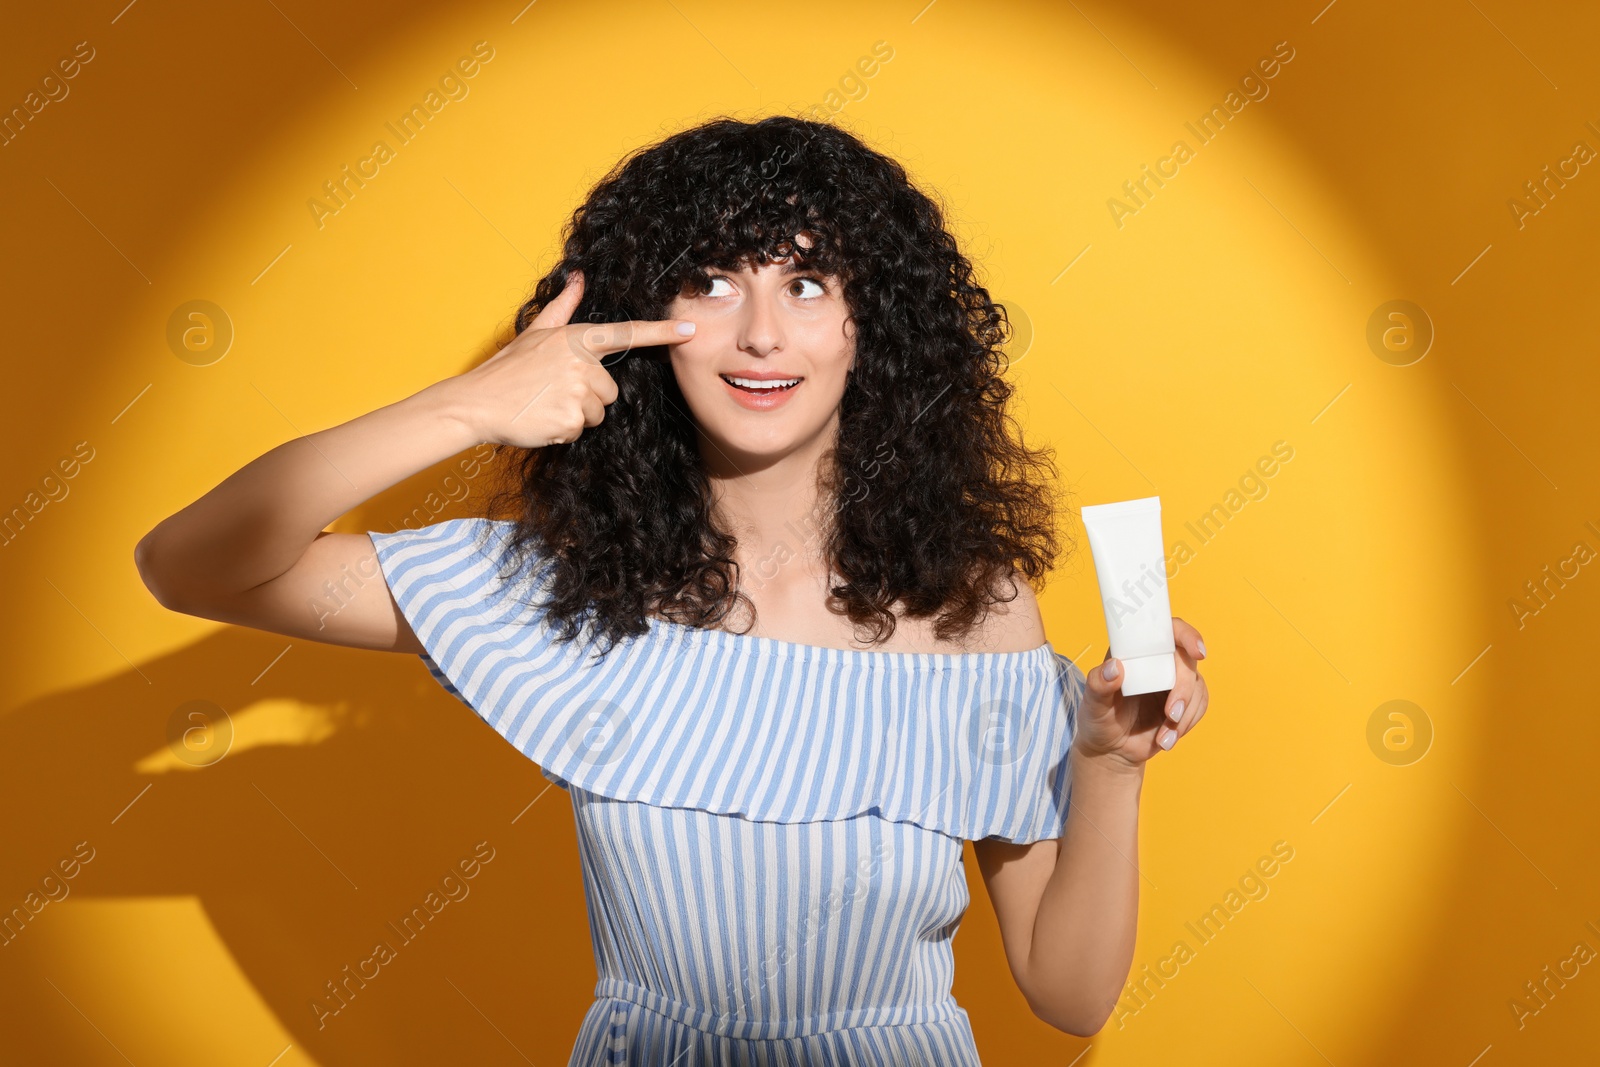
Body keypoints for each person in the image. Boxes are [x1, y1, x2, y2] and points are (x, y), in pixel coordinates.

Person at [135, 114, 1209, 1065]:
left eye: (805, 283)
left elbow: (1067, 995)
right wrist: (460, 409)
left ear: (868, 326)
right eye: (711, 280)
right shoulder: (564, 588)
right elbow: (191, 565)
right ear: (649, 320)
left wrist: (1107, 765)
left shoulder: (971, 607)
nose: (758, 332)